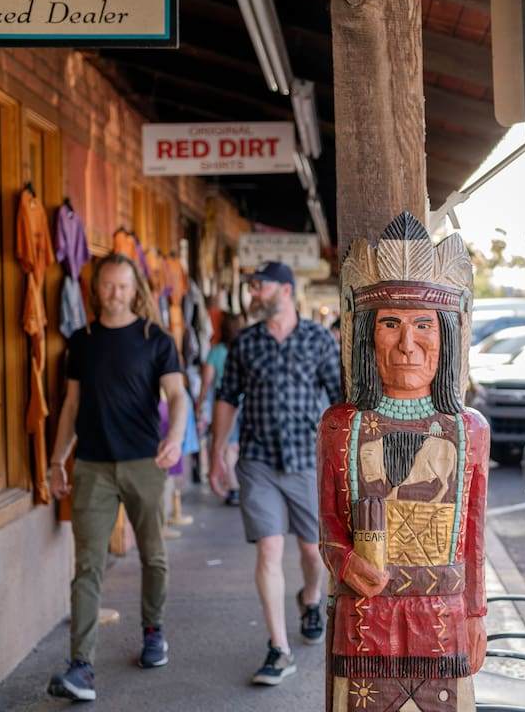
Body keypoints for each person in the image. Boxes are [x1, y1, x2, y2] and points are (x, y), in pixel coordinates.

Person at [317, 211, 489, 711]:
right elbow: (328, 521)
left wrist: (476, 614)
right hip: (364, 621)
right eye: (390, 323)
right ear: (367, 335)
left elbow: (473, 536)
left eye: (423, 325)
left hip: (444, 620)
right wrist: (345, 560)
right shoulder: (340, 425)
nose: (407, 344)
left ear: (448, 337)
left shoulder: (468, 430)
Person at [46, 253, 187, 702]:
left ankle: (153, 632)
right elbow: (70, 406)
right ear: (96, 289)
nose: (115, 294)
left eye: (123, 286)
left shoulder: (155, 339)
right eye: (108, 285)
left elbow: (177, 395)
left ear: (136, 290)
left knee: (154, 556)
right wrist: (55, 462)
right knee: (87, 566)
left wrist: (176, 438)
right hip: (91, 466)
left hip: (144, 464)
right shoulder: (81, 341)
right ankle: (81, 667)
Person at [208, 261, 342, 686]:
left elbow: (339, 398)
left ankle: (311, 598)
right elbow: (228, 398)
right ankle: (279, 649)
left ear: (284, 290)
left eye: (258, 286)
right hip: (257, 461)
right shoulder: (245, 344)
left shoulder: (319, 339)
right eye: (251, 287)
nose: (253, 294)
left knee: (309, 552)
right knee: (268, 549)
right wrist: (217, 452)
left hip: (306, 460)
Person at [197, 312, 244, 505]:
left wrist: (200, 402)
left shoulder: (216, 352)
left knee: (229, 448)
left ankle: (234, 489)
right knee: (238, 446)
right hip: (246, 402)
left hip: (225, 404)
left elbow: (207, 381)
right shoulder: (243, 349)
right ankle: (239, 486)